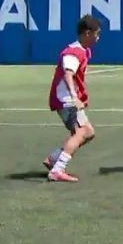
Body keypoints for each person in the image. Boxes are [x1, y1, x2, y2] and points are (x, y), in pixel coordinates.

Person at [43, 15, 101, 182]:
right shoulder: (73, 53)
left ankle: (54, 159)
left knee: (88, 132)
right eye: (97, 34)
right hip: (66, 100)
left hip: (69, 99)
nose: (98, 37)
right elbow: (69, 75)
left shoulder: (84, 51)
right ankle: (57, 170)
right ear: (87, 33)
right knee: (82, 132)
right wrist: (75, 97)